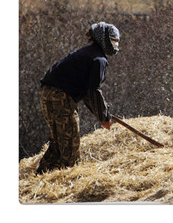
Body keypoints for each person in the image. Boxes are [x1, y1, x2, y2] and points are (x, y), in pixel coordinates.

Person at [36, 22, 120, 174]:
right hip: (60, 97)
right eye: (113, 40)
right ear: (104, 39)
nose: (115, 44)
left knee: (59, 142)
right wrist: (104, 117)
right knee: (70, 145)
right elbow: (93, 91)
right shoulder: (98, 59)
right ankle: (68, 184)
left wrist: (102, 114)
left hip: (48, 94)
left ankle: (40, 178)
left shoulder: (89, 53)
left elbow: (88, 92)